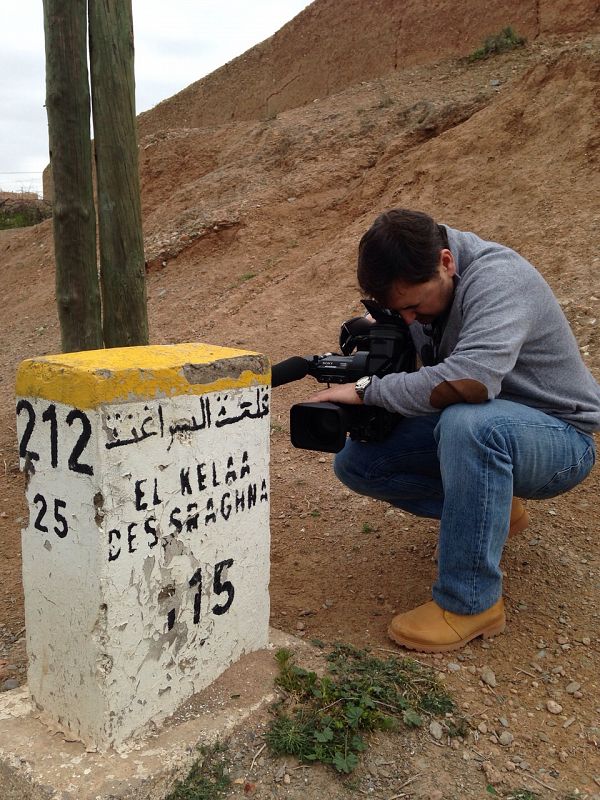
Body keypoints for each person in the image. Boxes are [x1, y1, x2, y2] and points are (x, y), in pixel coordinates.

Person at [309, 209, 600, 653]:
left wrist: (369, 390)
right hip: (493, 427)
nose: (409, 318)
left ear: (446, 262)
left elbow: (472, 381)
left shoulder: (500, 281)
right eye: (399, 310)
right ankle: (495, 508)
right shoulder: (429, 282)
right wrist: (385, 327)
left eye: (413, 307)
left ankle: (470, 602)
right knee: (360, 463)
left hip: (560, 437)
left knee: (470, 424)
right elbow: (422, 341)